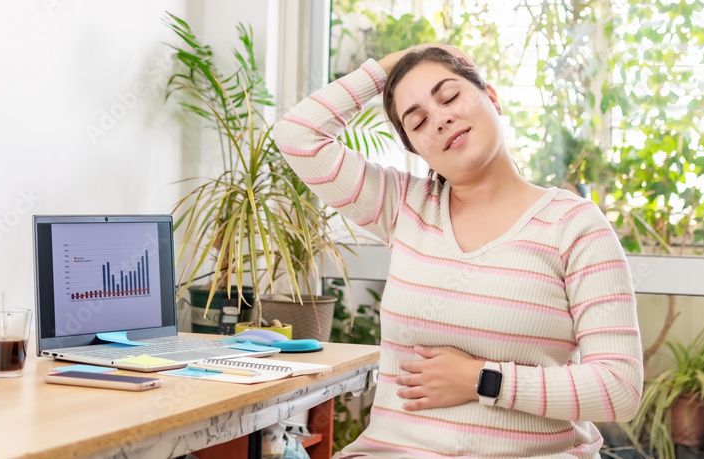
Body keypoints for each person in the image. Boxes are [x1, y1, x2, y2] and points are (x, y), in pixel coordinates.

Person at [275, 45, 643, 458]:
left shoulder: (574, 225)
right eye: (418, 121)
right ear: (416, 149)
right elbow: (298, 135)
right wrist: (394, 63)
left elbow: (619, 388)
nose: (441, 119)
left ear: (493, 97)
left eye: (449, 96)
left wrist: (483, 380)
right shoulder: (404, 205)